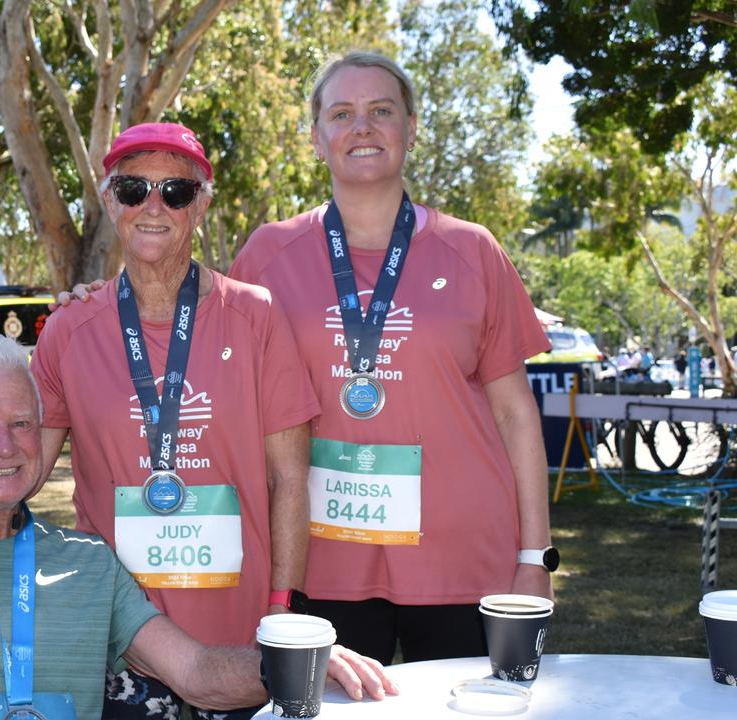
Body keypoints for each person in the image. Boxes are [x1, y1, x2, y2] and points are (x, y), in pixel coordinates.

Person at [0, 123, 395, 718]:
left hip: (242, 638)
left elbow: (289, 479)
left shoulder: (255, 316)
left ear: (201, 205)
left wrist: (284, 612)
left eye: (175, 192)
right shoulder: (71, 329)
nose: (153, 206)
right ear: (110, 201)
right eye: (133, 189)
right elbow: (11, 472)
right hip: (118, 645)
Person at [0, 333, 392, 719]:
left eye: (21, 424)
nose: (4, 446)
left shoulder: (90, 563)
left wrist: (294, 665)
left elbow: (196, 673)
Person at [227, 51, 555, 664]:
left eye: (381, 111)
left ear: (409, 127)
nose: (363, 127)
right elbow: (203, 362)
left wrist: (534, 558)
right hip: (318, 561)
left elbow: (515, 414)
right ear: (317, 136)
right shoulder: (268, 255)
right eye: (342, 113)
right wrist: (96, 303)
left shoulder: (472, 250)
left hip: (463, 561)